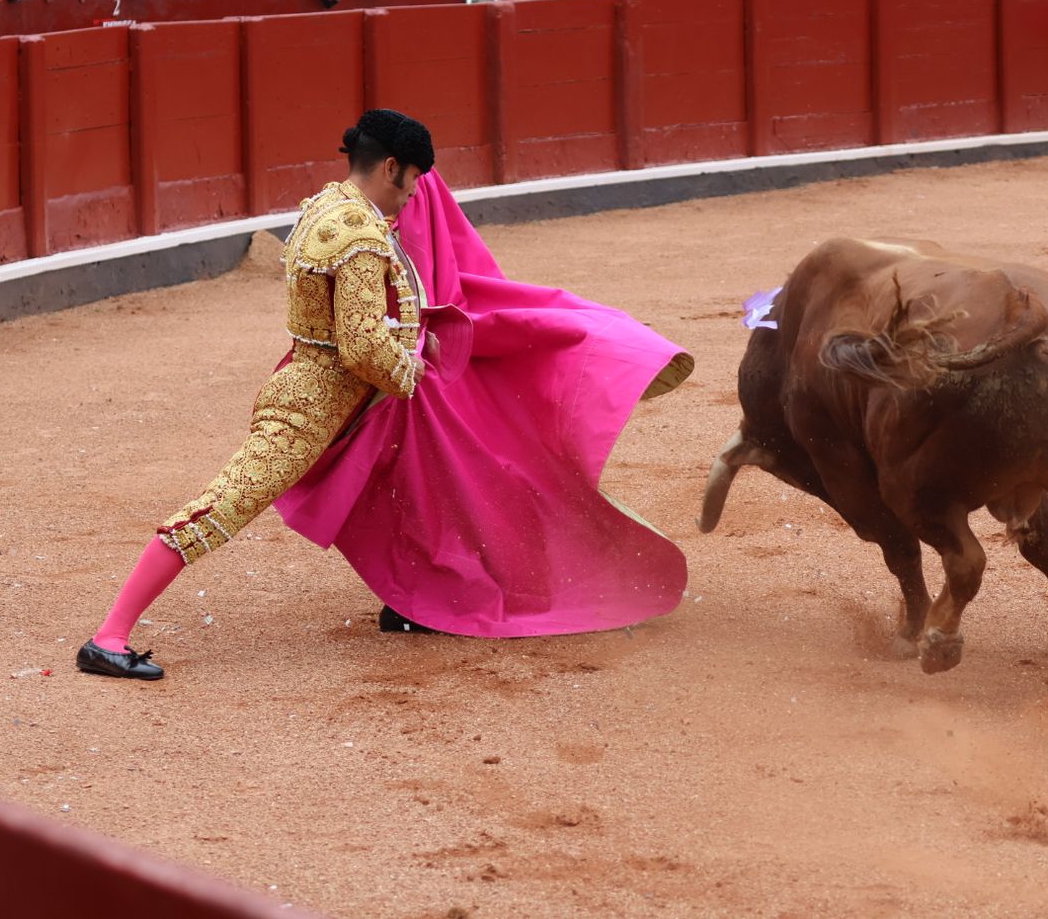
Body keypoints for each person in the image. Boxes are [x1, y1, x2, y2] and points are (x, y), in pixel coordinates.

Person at [77, 109, 694, 679]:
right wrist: (417, 371)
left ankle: (416, 603)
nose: (415, 195)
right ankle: (109, 636)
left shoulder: (332, 207)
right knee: (228, 502)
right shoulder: (360, 235)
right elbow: (363, 345)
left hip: (345, 399)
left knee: (413, 492)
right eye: (413, 181)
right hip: (317, 405)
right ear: (392, 167)